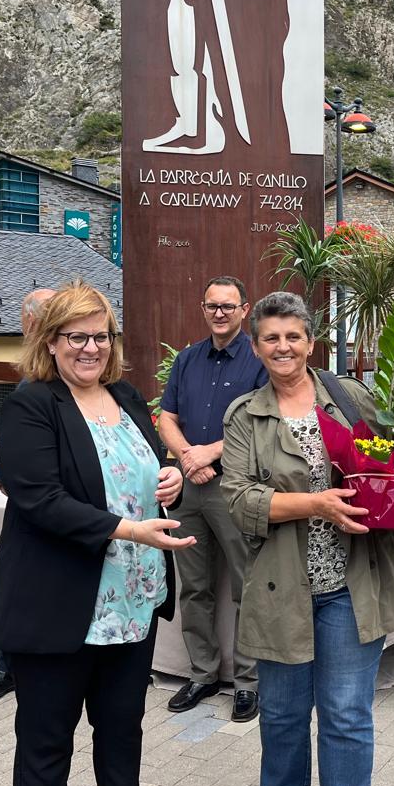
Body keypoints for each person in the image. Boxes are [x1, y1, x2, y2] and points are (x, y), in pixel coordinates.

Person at [222, 291, 394, 786]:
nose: (283, 347)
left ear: (310, 341)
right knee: (281, 718)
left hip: (352, 586)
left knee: (346, 718)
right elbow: (237, 500)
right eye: (271, 338)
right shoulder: (245, 415)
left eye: (293, 336)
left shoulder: (349, 397)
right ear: (255, 347)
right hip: (282, 590)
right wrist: (315, 505)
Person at [0, 282, 195, 786]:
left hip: (131, 606)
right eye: (76, 337)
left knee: (122, 743)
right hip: (60, 607)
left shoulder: (124, 397)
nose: (90, 348)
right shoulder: (31, 405)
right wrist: (130, 530)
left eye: (100, 337)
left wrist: (169, 479)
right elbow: (41, 500)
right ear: (50, 342)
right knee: (46, 748)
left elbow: (145, 468)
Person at [157, 276, 266, 722]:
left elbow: (262, 421)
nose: (219, 313)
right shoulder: (186, 360)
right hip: (189, 489)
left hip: (234, 489)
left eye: (228, 306)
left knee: (247, 587)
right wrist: (188, 456)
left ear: (244, 309)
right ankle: (202, 675)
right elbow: (166, 417)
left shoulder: (258, 363)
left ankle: (248, 683)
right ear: (203, 309)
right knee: (194, 589)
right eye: (211, 306)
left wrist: (210, 452)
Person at [0, 287, 56, 703]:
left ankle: (10, 669)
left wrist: (2, 470)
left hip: (43, 505)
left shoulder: (43, 378)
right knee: (14, 585)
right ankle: (9, 666)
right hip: (32, 502)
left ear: (31, 323)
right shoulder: (34, 375)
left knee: (15, 586)